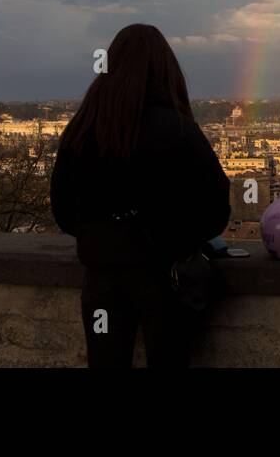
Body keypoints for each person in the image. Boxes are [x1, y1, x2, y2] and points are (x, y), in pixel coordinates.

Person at [51, 24, 230, 368]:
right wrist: (182, 238)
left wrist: (102, 236)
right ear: (166, 70)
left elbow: (62, 208)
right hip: (164, 277)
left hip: (101, 275)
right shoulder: (178, 129)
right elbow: (215, 208)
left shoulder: (83, 129)